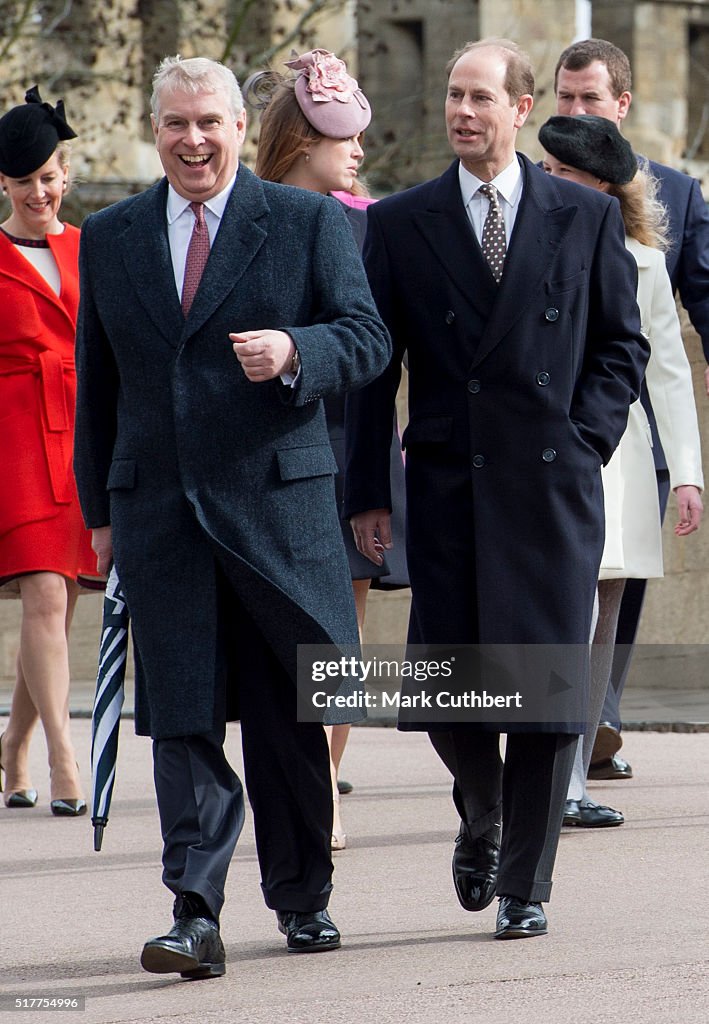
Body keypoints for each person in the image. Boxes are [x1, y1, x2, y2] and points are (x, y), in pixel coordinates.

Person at [73, 55, 390, 978]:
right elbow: (100, 385)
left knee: (290, 716)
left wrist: (297, 349)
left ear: (241, 128)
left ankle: (301, 900)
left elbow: (366, 337)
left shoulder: (300, 221)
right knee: (181, 718)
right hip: (161, 514)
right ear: (154, 129)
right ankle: (193, 910)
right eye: (175, 124)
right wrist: (100, 512)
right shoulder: (115, 235)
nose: (193, 140)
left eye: (209, 121)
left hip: (279, 511)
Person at [344, 38, 649, 940]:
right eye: (453, 95)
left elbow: (619, 346)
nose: (462, 111)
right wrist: (370, 492)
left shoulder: (583, 216)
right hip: (446, 488)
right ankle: (480, 811)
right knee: (452, 694)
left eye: (481, 97)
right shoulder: (400, 222)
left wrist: (584, 435)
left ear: (522, 110)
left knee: (551, 696)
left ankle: (526, 884)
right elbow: (372, 370)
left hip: (553, 489)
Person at [250, 48, 409, 851]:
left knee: (341, 635)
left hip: (350, 442)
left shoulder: (369, 222)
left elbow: (380, 344)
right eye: (339, 135)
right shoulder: (244, 216)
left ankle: (325, 788)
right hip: (266, 445)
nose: (356, 149)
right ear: (300, 137)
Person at [538, 114, 703, 827]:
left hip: (621, 460)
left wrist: (689, 474)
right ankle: (539, 775)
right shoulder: (517, 243)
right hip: (540, 457)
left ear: (602, 188)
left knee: (600, 619)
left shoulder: (641, 258)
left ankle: (570, 780)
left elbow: (666, 372)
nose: (548, 184)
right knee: (561, 617)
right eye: (544, 172)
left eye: (564, 175)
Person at [0, 87, 101, 817]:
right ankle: (67, 760)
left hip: (80, 433)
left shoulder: (90, 245)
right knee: (40, 591)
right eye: (25, 179)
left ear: (64, 175)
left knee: (58, 605)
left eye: (49, 176)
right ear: (3, 183)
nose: (40, 191)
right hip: (13, 437)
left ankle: (13, 747)